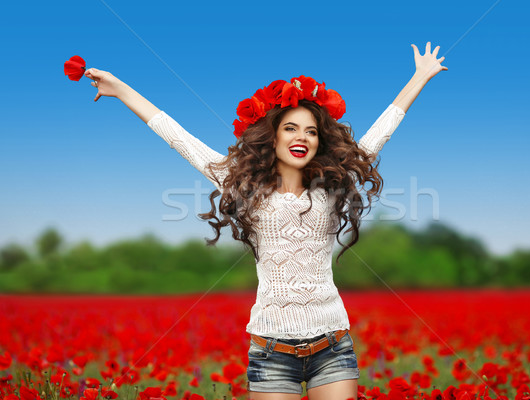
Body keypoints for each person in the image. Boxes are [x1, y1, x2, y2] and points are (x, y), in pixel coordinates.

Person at [83, 41, 447, 400]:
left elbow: (379, 134)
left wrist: (420, 77)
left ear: (320, 141)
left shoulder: (331, 187)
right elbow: (180, 139)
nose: (301, 137)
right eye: (290, 128)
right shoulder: (242, 185)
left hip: (333, 347)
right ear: (272, 136)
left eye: (311, 131)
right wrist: (120, 89)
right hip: (271, 353)